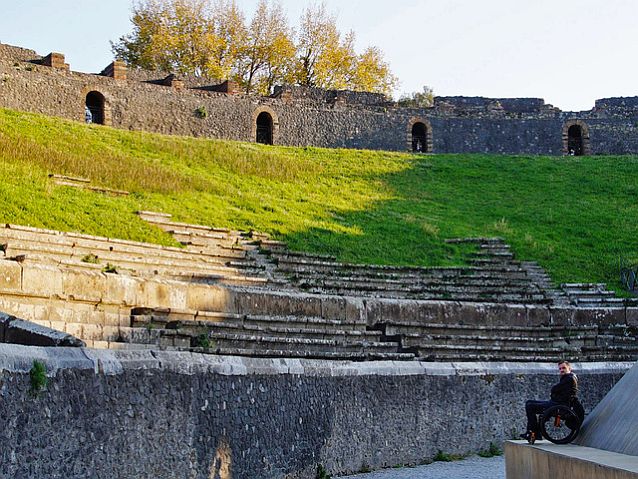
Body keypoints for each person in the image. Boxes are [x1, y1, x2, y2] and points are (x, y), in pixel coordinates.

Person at [520, 360, 579, 442]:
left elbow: (554, 389)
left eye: (564, 368)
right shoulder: (568, 378)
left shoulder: (569, 378)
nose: (561, 370)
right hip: (556, 403)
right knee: (529, 402)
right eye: (560, 368)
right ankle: (533, 432)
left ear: (569, 368)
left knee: (530, 406)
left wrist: (554, 392)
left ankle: (533, 432)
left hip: (558, 405)